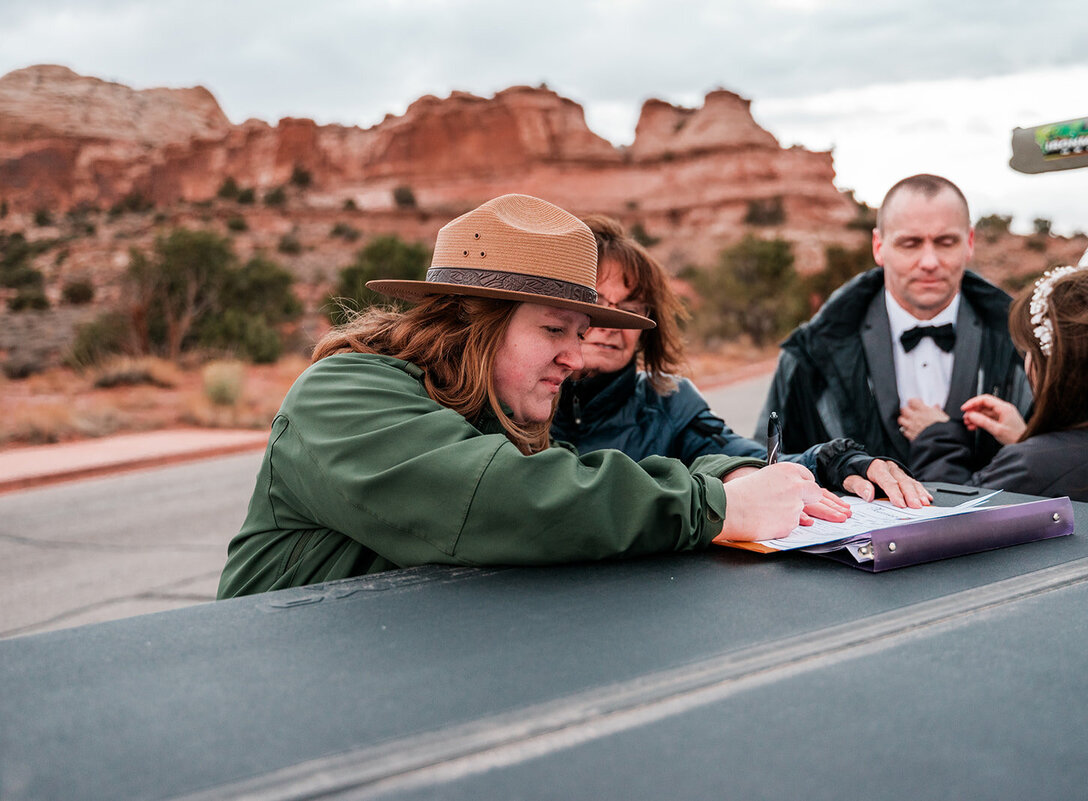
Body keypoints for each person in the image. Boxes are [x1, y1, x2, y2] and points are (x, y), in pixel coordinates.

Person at [218, 195, 918, 599]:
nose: (577, 355)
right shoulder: (344, 394)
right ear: (467, 319)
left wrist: (777, 471)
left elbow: (589, 479)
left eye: (584, 332)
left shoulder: (502, 416)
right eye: (555, 328)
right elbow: (506, 498)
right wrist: (717, 502)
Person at [552, 215, 924, 502]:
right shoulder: (510, 403)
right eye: (595, 301)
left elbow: (747, 460)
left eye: (631, 307)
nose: (613, 323)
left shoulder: (668, 404)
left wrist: (832, 460)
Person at [755, 174, 1031, 479]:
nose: (929, 261)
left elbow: (1068, 466)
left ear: (969, 243)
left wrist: (1025, 444)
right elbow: (767, 464)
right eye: (910, 243)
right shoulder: (810, 353)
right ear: (879, 246)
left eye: (945, 242)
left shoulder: (1024, 346)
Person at [910, 266, 1088, 514]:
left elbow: (949, 515)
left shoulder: (1033, 467)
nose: (1026, 364)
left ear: (1056, 365)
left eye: (1028, 351)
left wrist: (936, 435)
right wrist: (1024, 438)